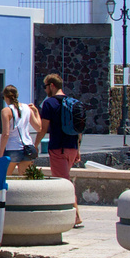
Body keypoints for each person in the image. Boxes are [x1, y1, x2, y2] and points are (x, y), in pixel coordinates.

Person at [36, 73, 83, 227]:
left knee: (64, 183)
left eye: (45, 87)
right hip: (72, 148)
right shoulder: (73, 102)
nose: (45, 90)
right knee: (66, 179)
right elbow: (79, 129)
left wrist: (35, 145)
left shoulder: (49, 103)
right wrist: (78, 150)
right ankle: (72, 214)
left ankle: (76, 217)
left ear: (52, 86)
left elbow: (43, 128)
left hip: (58, 149)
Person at [0, 85, 39, 178]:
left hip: (13, 147)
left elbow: (6, 134)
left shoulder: (6, 111)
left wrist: (1, 154)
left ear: (6, 97)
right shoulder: (27, 108)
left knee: (4, 177)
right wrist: (36, 112)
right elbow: (38, 128)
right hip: (28, 147)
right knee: (25, 180)